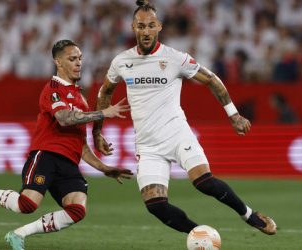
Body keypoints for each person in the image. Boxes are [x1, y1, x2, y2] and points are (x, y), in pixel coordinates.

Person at [93, 0, 277, 237]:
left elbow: (211, 79)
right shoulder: (121, 61)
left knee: (204, 182)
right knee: (156, 206)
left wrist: (233, 114)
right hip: (148, 145)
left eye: (151, 25)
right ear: (133, 27)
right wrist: (97, 131)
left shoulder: (174, 58)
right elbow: (104, 92)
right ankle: (201, 234)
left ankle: (249, 214)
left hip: (177, 134)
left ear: (159, 26)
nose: (146, 31)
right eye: (141, 26)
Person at [0, 39, 133, 250]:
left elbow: (82, 145)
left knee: (77, 210)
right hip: (46, 155)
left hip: (69, 163)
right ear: (58, 63)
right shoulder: (52, 89)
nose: (78, 63)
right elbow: (64, 118)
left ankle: (19, 234)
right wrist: (103, 113)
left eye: (79, 58)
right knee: (27, 205)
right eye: (72, 59)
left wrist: (104, 168)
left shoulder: (80, 99)